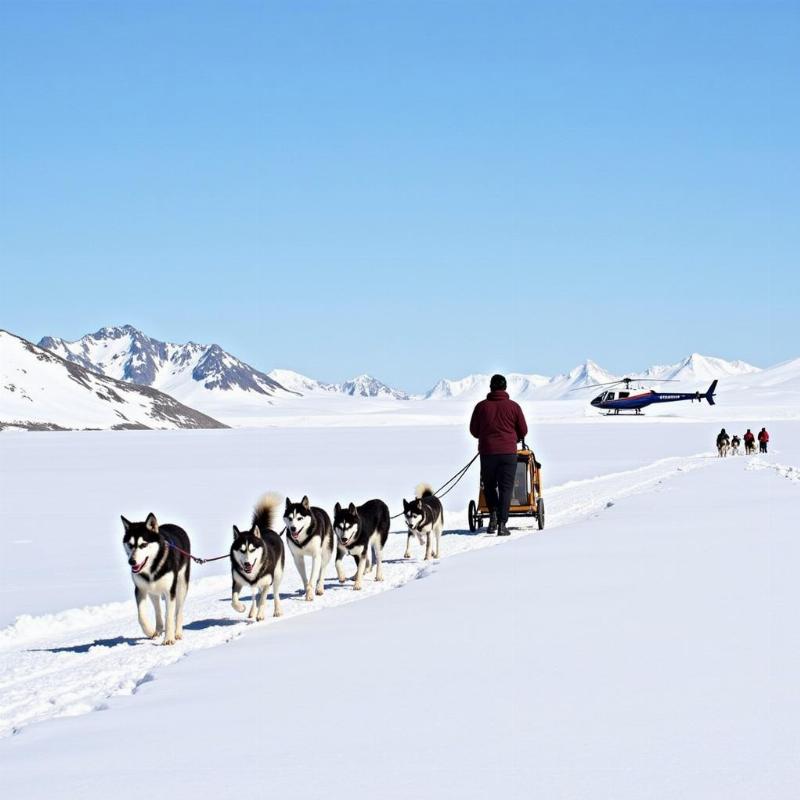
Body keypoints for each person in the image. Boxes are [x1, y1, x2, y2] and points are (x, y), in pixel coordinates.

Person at [469, 374, 528, 536]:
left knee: (488, 486)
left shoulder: (481, 407)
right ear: (505, 388)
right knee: (506, 488)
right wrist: (513, 438)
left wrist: (486, 436)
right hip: (508, 453)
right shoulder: (514, 407)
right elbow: (523, 430)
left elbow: (474, 430)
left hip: (488, 453)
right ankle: (502, 524)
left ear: (490, 387)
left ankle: (493, 516)